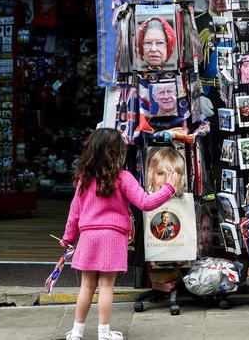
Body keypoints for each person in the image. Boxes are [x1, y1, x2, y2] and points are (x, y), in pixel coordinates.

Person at [61, 128, 178, 340]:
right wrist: (169, 188)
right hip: (112, 238)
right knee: (106, 286)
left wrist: (68, 238)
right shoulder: (123, 177)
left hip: (88, 237)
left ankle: (76, 332)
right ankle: (104, 333)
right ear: (117, 152)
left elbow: (74, 213)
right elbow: (145, 202)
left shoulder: (83, 180)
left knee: (86, 286)